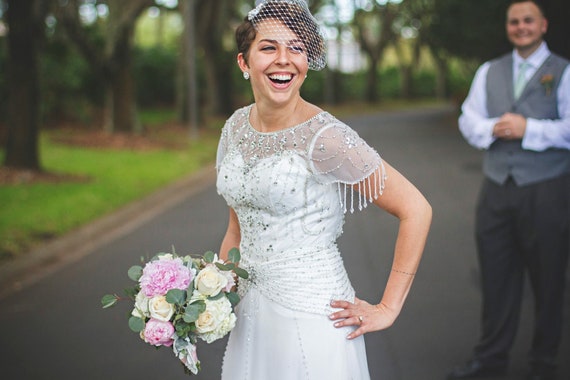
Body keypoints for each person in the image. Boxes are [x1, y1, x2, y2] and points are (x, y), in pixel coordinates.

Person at [214, 0, 432, 378]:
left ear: (307, 61)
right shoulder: (235, 128)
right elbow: (237, 228)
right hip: (249, 316)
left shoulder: (326, 139)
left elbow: (416, 208)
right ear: (244, 63)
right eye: (269, 47)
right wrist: (208, 294)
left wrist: (388, 307)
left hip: (313, 314)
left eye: (296, 47)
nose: (284, 59)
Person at [448, 1, 570, 380]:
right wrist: (494, 129)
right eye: (514, 21)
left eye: (528, 20)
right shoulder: (490, 71)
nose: (521, 27)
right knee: (496, 276)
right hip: (497, 188)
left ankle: (543, 364)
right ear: (508, 27)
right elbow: (469, 119)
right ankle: (491, 359)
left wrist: (528, 129)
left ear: (543, 25)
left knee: (548, 279)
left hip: (546, 189)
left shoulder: (564, 72)